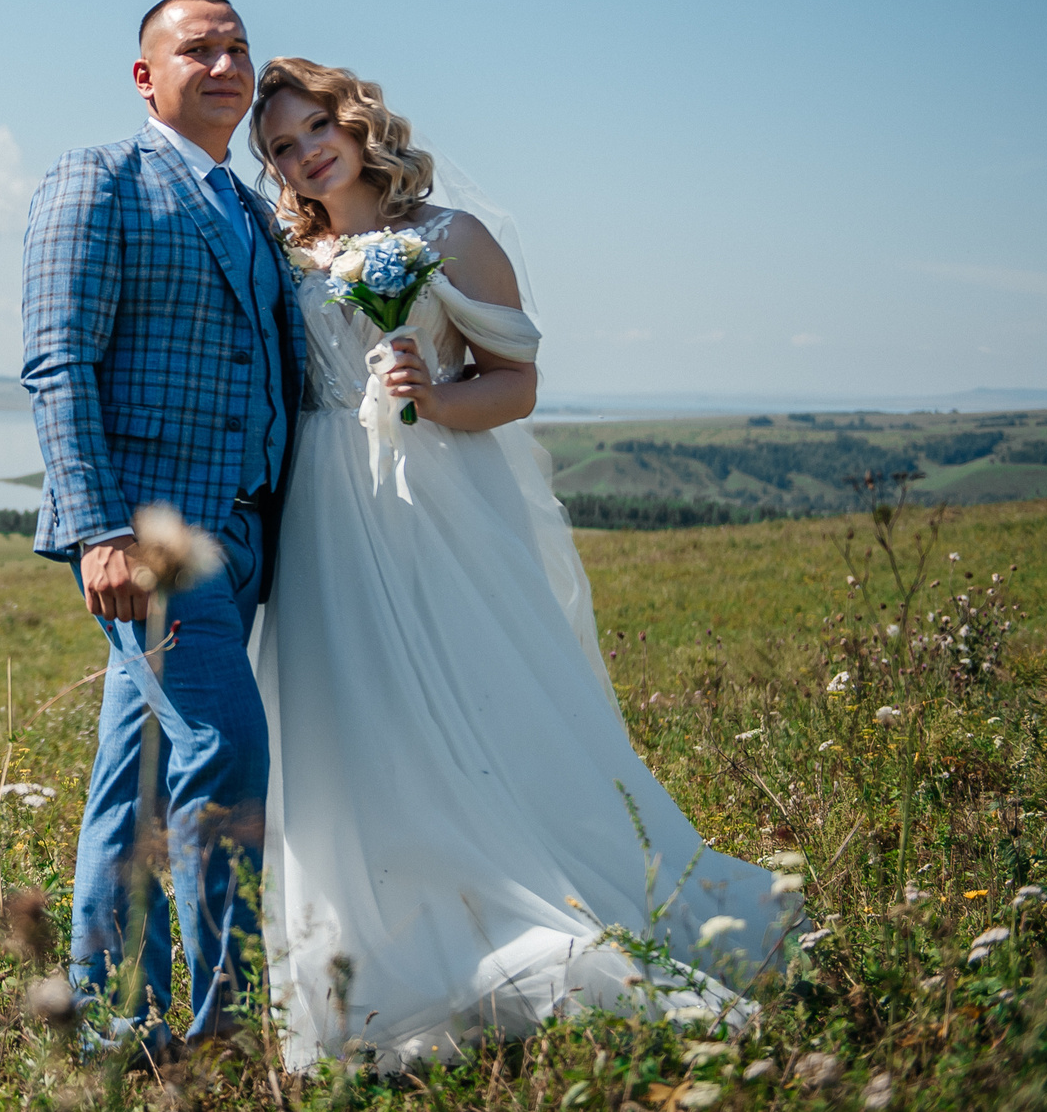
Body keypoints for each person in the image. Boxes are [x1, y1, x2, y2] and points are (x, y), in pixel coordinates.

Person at [247, 57, 802, 1072]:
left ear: (356, 118)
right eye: (280, 145)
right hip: (319, 508)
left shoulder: (449, 238)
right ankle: (375, 932)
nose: (302, 153)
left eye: (313, 126)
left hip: (433, 500)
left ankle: (521, 897)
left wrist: (426, 396)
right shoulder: (283, 250)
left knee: (471, 698)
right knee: (350, 715)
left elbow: (514, 382)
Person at [19, 0, 305, 1049]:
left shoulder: (251, 206)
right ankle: (226, 1032)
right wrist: (99, 528)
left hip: (244, 538)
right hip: (151, 542)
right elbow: (58, 362)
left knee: (129, 788)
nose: (226, 61)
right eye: (199, 47)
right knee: (224, 759)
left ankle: (109, 1022)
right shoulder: (99, 177)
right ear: (146, 75)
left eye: (237, 45)